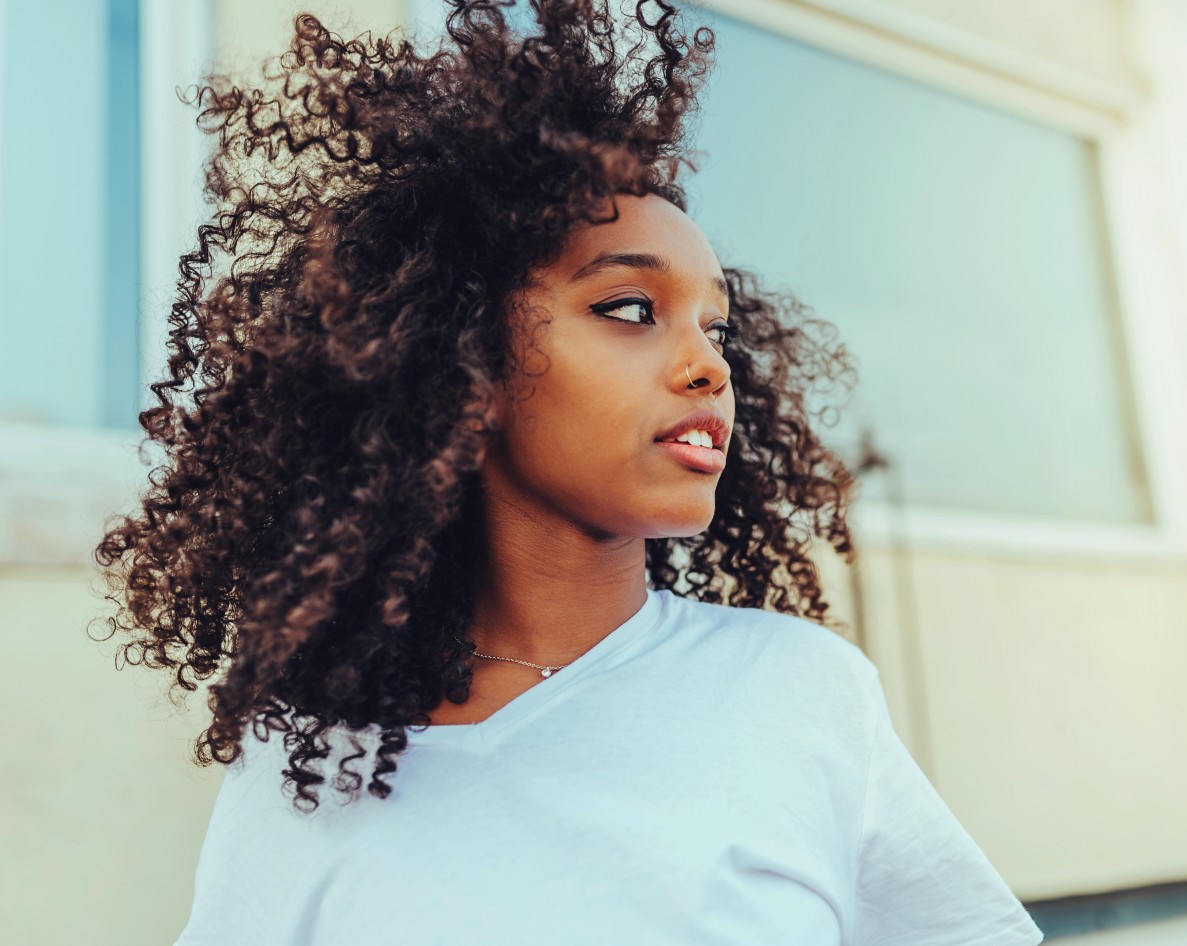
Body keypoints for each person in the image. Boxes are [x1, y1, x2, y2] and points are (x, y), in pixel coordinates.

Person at [93, 1, 1044, 943]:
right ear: (463, 358)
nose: (711, 365)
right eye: (631, 309)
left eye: (715, 327)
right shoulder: (304, 760)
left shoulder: (799, 693)